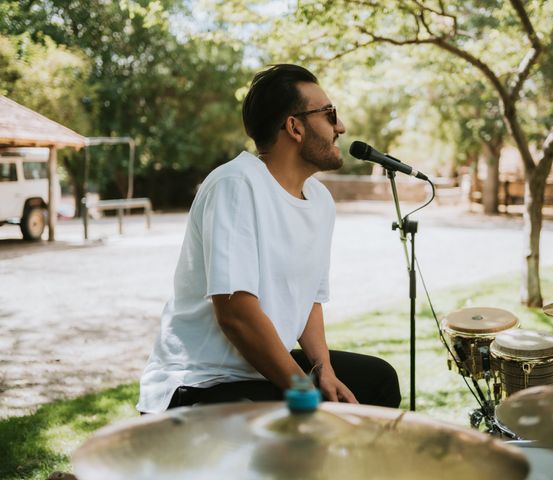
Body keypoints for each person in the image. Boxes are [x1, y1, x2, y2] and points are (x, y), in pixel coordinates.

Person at [136, 64, 401, 414]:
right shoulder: (236, 184)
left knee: (377, 380)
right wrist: (304, 390)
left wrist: (323, 371)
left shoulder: (320, 200)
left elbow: (309, 301)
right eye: (329, 114)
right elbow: (236, 314)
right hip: (202, 380)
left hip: (256, 373)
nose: (341, 127)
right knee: (296, 428)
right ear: (294, 127)